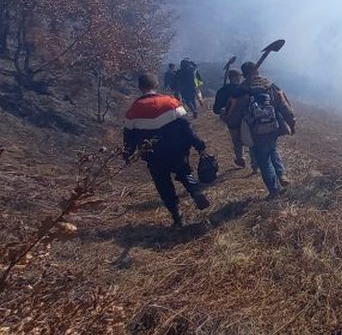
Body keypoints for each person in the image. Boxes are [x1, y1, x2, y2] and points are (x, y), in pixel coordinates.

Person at [123, 73, 210, 227]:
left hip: (153, 155)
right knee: (184, 172)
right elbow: (186, 128)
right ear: (156, 85)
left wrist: (127, 154)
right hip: (177, 150)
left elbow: (129, 136)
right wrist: (199, 145)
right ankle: (196, 191)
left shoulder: (133, 111)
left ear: (140, 88)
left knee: (163, 185)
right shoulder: (171, 102)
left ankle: (177, 216)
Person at [226, 62, 295, 198]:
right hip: (273, 126)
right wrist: (292, 123)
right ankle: (282, 175)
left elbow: (235, 115)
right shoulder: (270, 85)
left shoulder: (241, 90)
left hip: (255, 130)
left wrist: (233, 129)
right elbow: (284, 107)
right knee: (273, 149)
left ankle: (274, 191)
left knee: (263, 160)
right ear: (257, 71)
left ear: (244, 74)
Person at [214, 69, 255, 169]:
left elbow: (216, 109)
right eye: (238, 76)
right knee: (250, 140)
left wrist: (222, 111)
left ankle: (240, 159)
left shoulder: (222, 91)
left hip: (232, 120)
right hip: (246, 119)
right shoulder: (246, 89)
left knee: (237, 141)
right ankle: (254, 163)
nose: (239, 78)